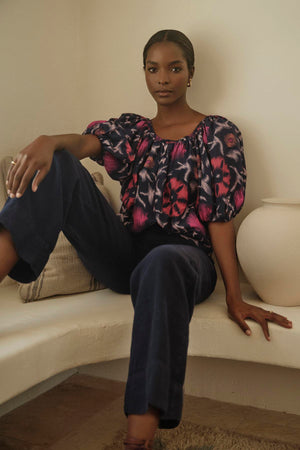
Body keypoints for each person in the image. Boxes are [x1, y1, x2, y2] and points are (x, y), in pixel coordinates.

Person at [0, 29, 293, 449]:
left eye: (174, 68)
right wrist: (47, 141)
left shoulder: (217, 134)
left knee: (163, 261)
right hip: (126, 255)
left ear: (190, 73)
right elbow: (84, 144)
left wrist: (234, 294)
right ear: (144, 73)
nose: (163, 78)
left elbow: (220, 218)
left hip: (185, 258)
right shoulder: (133, 132)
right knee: (60, 163)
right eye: (153, 69)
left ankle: (139, 439)